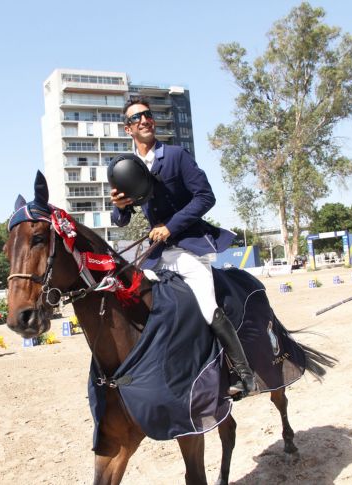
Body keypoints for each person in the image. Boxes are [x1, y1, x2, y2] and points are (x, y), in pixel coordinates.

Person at [110, 96, 254, 397]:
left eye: (148, 115)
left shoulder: (176, 156)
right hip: (157, 253)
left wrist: (170, 226)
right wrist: (120, 207)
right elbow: (121, 220)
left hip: (188, 246)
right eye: (137, 118)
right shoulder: (128, 167)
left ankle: (243, 373)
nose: (145, 120)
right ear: (128, 129)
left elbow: (205, 197)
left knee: (206, 304)